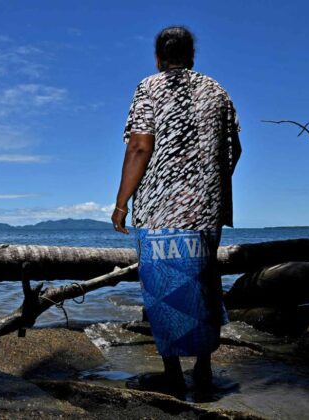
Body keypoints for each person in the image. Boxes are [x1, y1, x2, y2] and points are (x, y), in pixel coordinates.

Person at [112, 26, 241, 395]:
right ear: (192, 56)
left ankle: (172, 372)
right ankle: (204, 367)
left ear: (158, 57)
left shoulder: (149, 88)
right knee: (203, 283)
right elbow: (234, 149)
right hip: (206, 210)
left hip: (160, 211)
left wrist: (121, 203)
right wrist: (207, 185)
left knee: (162, 289)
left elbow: (139, 146)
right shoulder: (218, 91)